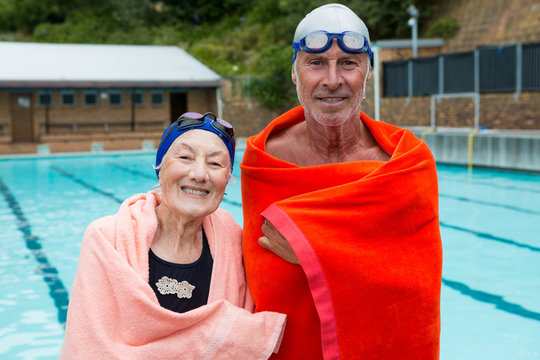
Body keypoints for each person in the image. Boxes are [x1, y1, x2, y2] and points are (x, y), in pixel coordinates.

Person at [241, 4, 442, 360]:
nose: (332, 79)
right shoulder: (263, 163)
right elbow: (257, 276)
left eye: (348, 63)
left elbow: (415, 285)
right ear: (294, 73)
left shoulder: (405, 165)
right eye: (316, 63)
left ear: (368, 74)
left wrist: (311, 253)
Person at [61, 112, 286, 359]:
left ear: (227, 179)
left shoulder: (236, 244)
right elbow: (90, 346)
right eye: (185, 157)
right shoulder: (107, 239)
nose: (200, 174)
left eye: (215, 163)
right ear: (160, 167)